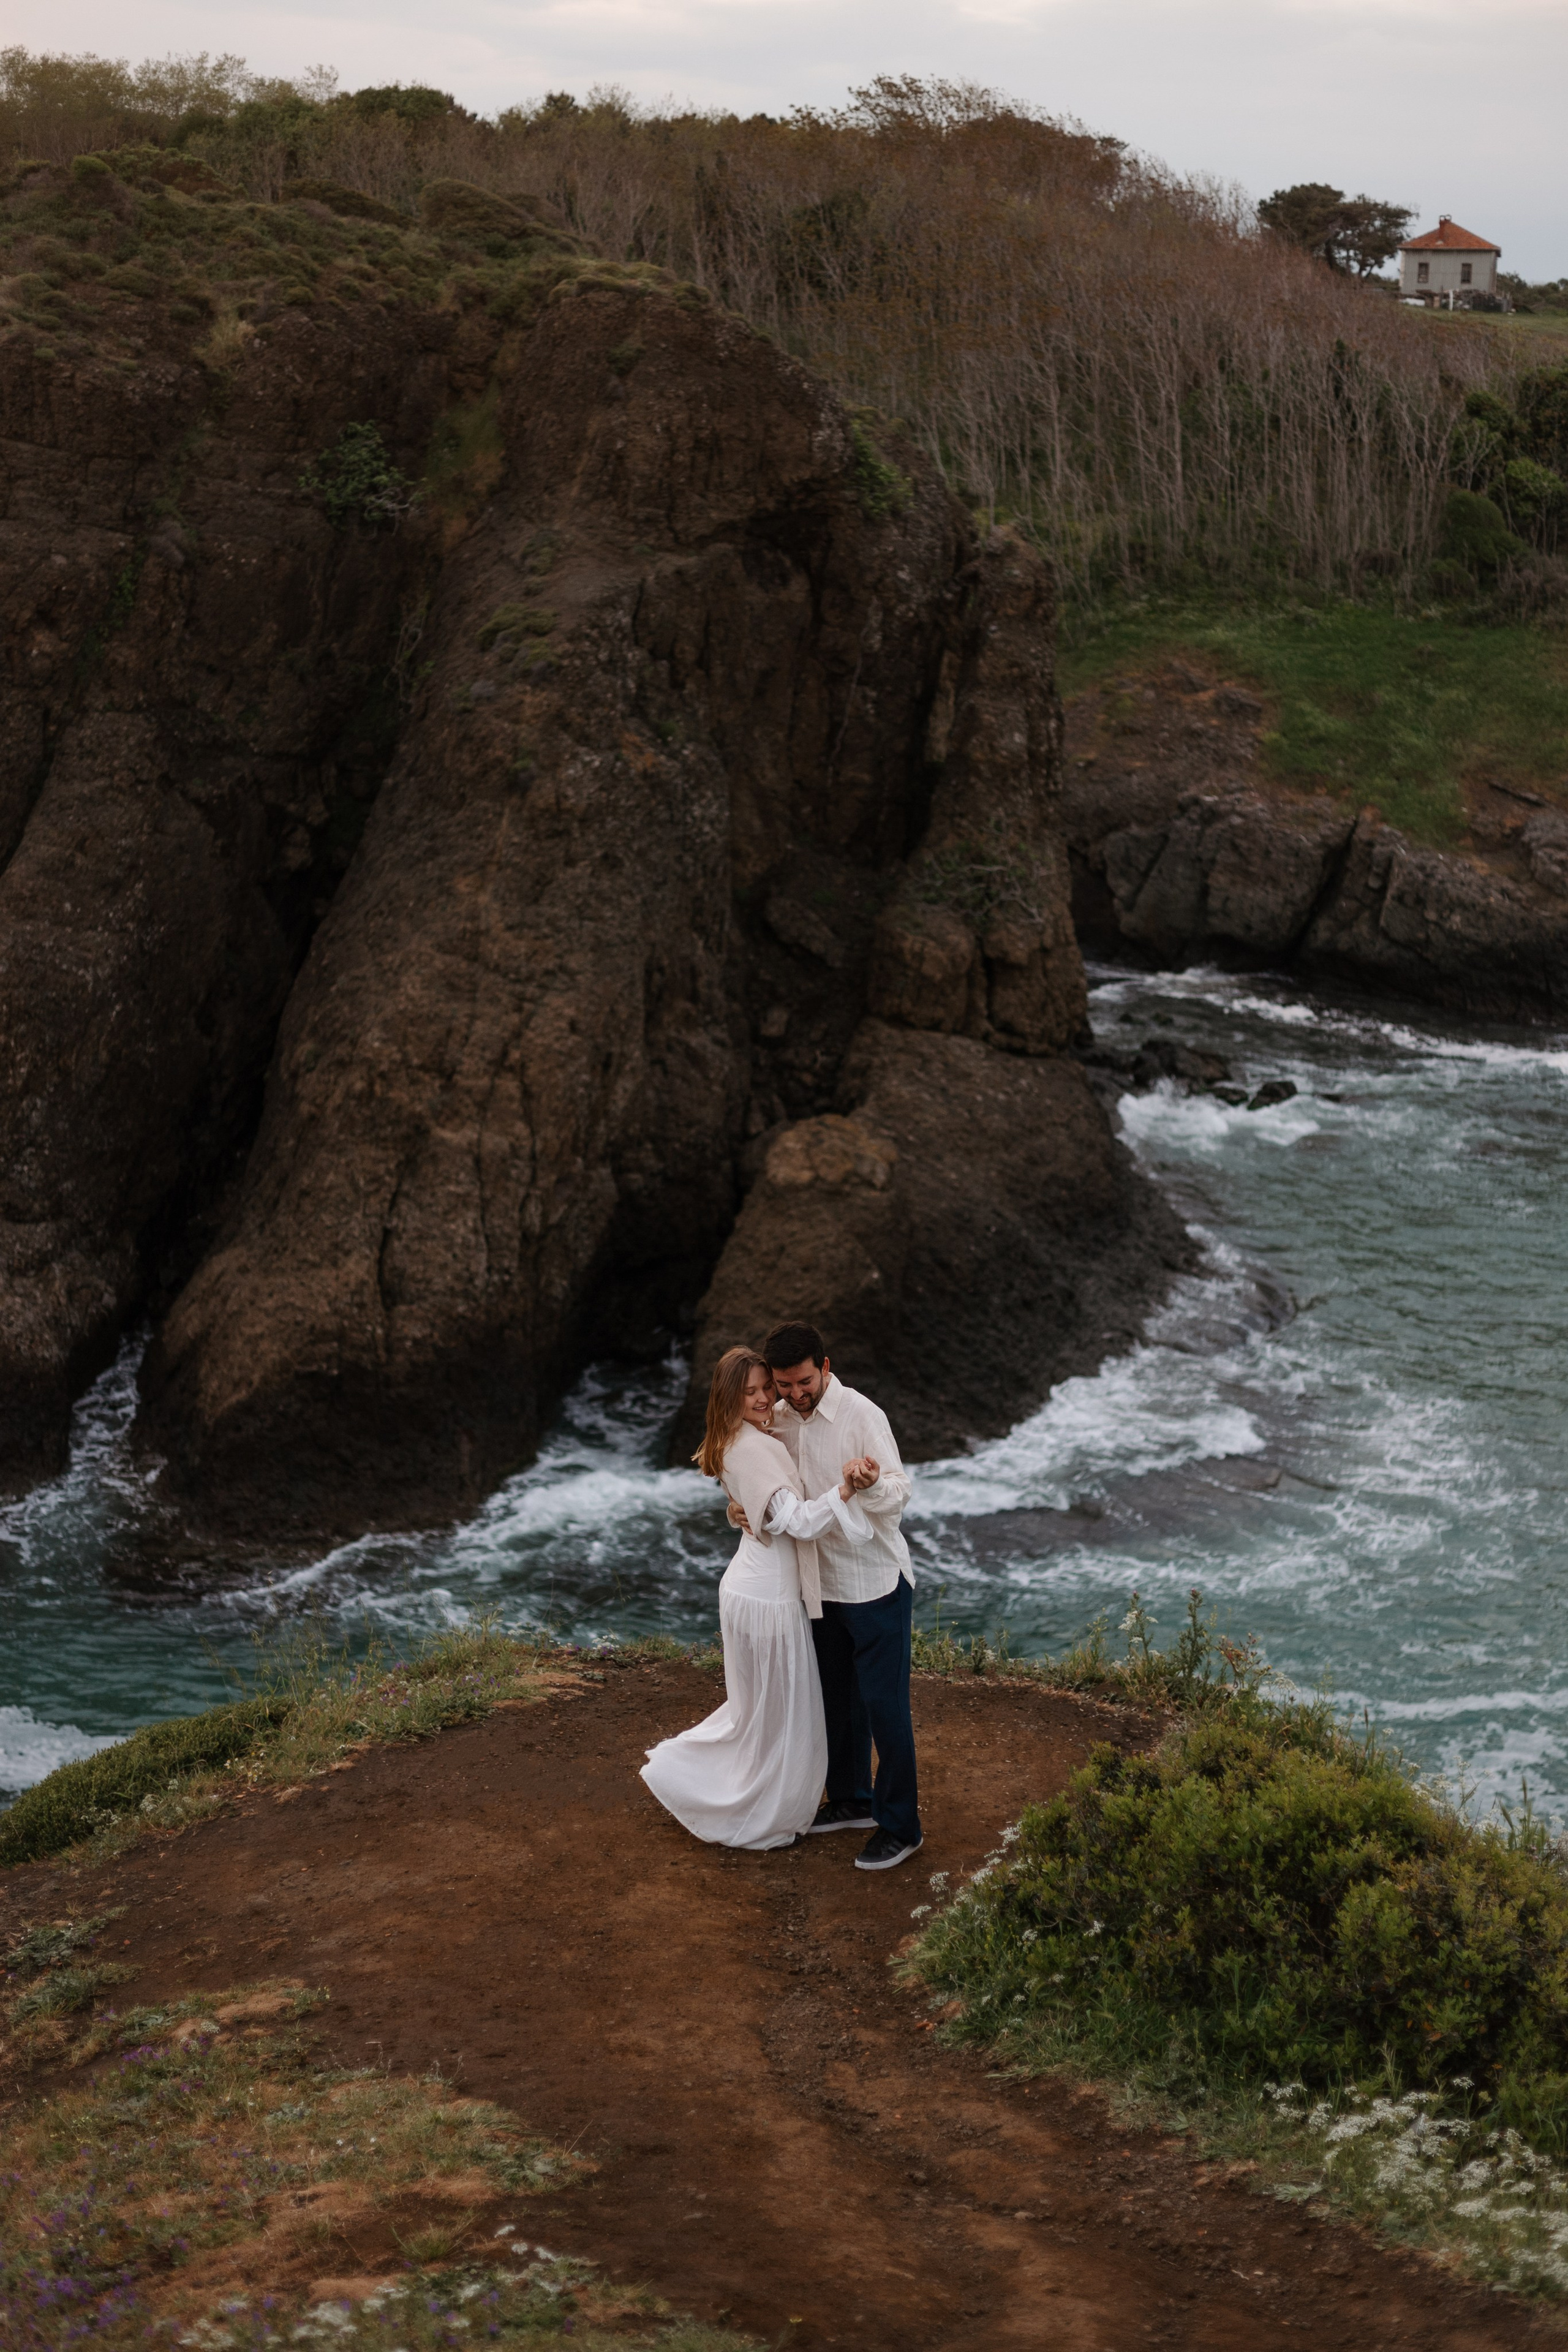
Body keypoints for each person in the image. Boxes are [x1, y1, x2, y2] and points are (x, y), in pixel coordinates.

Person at [640, 1346, 875, 1853]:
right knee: (782, 1714)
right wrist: (848, 1487)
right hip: (768, 1599)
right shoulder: (757, 1448)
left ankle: (750, 1795)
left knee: (758, 1711)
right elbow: (801, 1523)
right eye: (752, 1392)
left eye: (768, 1387)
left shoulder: (732, 1440)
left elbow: (752, 1500)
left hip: (749, 1588)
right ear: (730, 1398)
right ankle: (752, 1807)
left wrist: (736, 1509)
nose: (767, 1398)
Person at [753, 1321, 921, 1872]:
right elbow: (769, 1488)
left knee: (885, 1709)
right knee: (837, 1703)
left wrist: (869, 1482)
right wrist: (743, 1507)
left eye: (803, 1381)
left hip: (874, 1585)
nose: (794, 1395)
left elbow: (899, 1495)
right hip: (816, 1588)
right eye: (784, 1385)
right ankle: (852, 1800)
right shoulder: (777, 1419)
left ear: (825, 1368)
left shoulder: (862, 1414)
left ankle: (902, 1828)